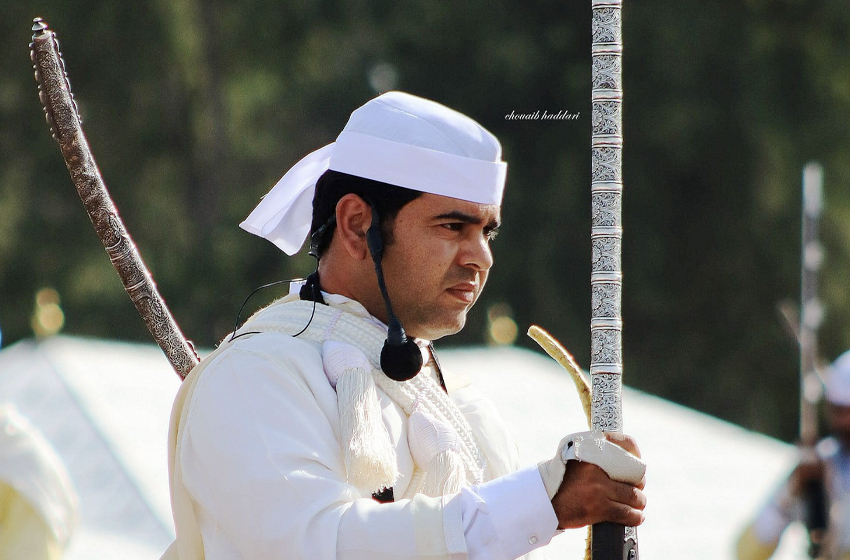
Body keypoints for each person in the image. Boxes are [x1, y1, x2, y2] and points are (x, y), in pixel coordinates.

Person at [162, 91, 646, 560]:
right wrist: (542, 502)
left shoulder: (465, 408)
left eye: (486, 231)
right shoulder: (256, 374)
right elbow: (315, 545)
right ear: (356, 225)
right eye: (452, 226)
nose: (481, 257)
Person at [737, 349, 850, 560]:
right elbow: (745, 554)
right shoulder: (821, 464)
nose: (843, 421)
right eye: (838, 410)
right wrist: (790, 492)